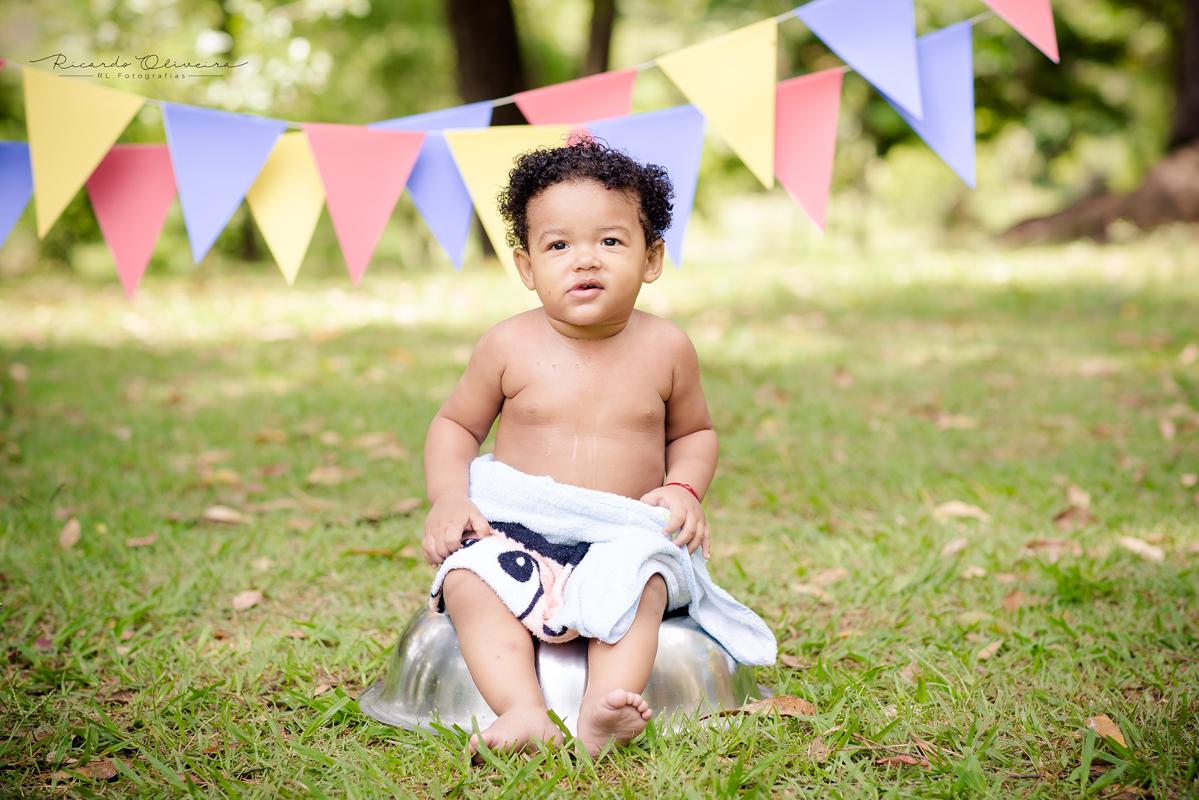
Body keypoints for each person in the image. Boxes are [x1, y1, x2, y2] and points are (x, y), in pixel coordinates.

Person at [421, 138, 719, 758]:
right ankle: (522, 708)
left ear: (652, 257)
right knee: (469, 583)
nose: (586, 260)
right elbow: (455, 425)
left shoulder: (667, 348)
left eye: (610, 241)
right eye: (559, 245)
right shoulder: (506, 346)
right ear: (527, 268)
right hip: (517, 531)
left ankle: (602, 710)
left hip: (621, 535)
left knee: (643, 587)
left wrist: (684, 487)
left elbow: (693, 433)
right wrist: (450, 496)